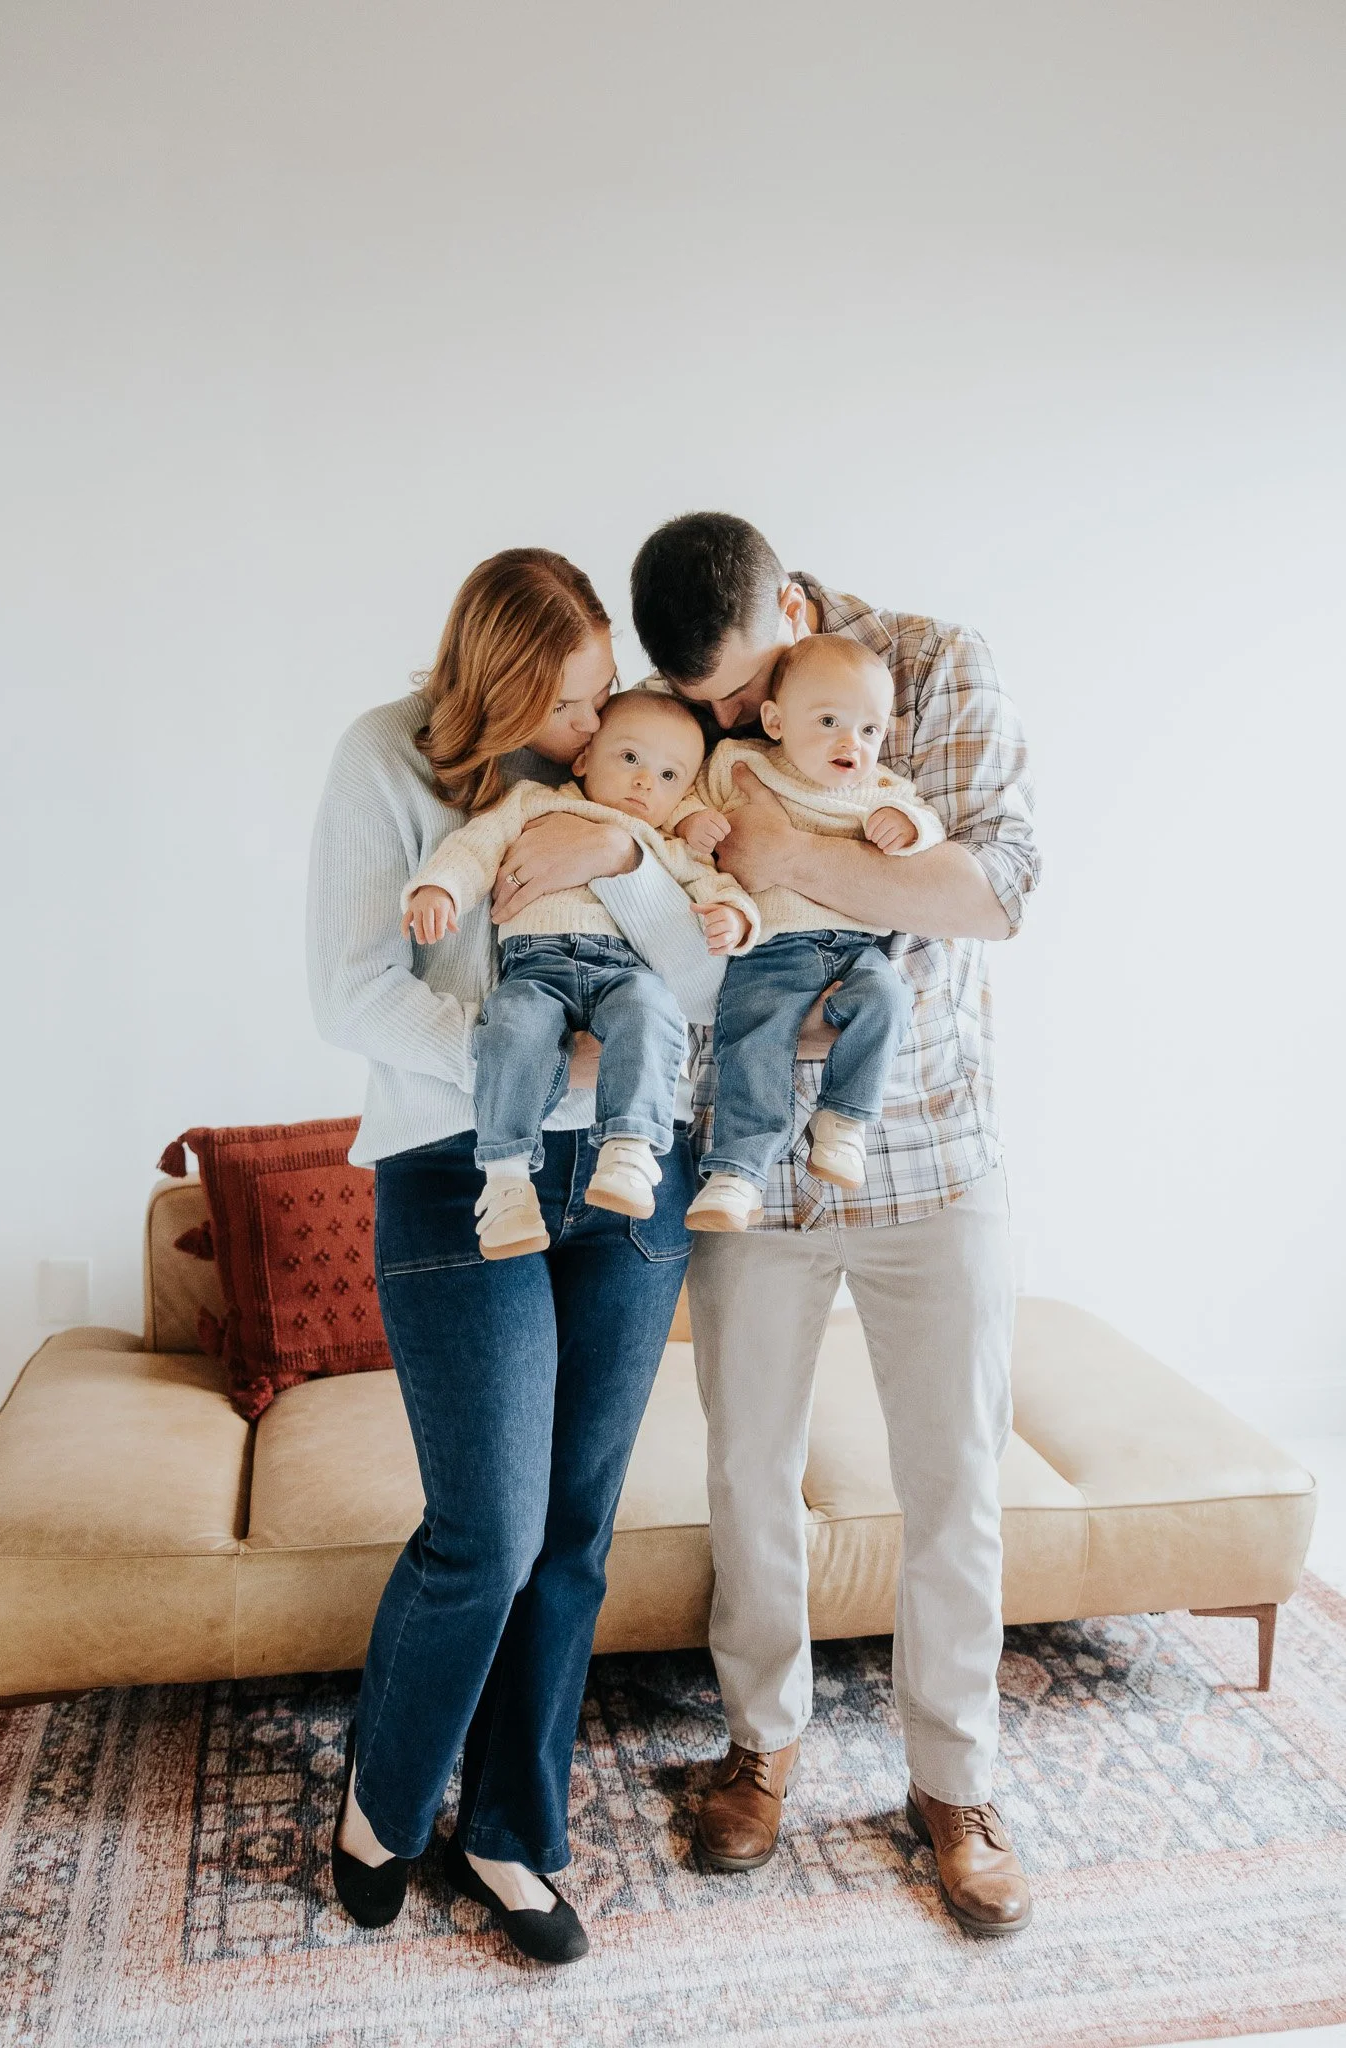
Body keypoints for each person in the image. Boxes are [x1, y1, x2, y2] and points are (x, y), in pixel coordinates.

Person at [630, 511, 1041, 1936]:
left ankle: (956, 1782)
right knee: (747, 1465)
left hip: (935, 1152)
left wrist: (789, 868)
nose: (738, 724)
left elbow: (992, 891)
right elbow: (671, 906)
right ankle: (760, 1746)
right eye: (712, 709)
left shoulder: (935, 668)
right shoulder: (687, 718)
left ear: (797, 606)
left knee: (953, 1480)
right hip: (750, 1158)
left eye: (749, 694)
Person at [305, 548, 716, 1964]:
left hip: (628, 1174)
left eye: (603, 694)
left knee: (574, 1534)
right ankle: (385, 1801)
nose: (592, 730)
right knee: (485, 1533)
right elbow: (350, 985)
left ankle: (509, 1831)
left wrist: (625, 852)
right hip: (453, 1167)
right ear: (490, 688)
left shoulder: (635, 783)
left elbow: (714, 977)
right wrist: (532, 1082)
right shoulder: (385, 761)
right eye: (564, 705)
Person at [400, 689, 755, 1256]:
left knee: (651, 1010)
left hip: (622, 972)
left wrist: (734, 917)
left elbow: (717, 889)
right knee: (512, 1026)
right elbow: (475, 846)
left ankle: (631, 1149)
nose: (645, 784)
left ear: (683, 793)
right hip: (535, 968)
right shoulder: (533, 802)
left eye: (668, 775)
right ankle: (507, 1181)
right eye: (630, 759)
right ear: (585, 758)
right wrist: (440, 887)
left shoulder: (664, 844)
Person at [669, 635, 942, 1229]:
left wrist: (907, 825)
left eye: (870, 731)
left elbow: (928, 820)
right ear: (775, 720)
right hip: (769, 946)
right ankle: (737, 1172)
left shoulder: (878, 791)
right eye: (829, 722)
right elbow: (683, 799)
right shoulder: (741, 764)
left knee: (888, 1000)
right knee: (752, 1041)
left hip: (856, 950)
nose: (853, 743)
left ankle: (843, 1121)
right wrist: (693, 821)